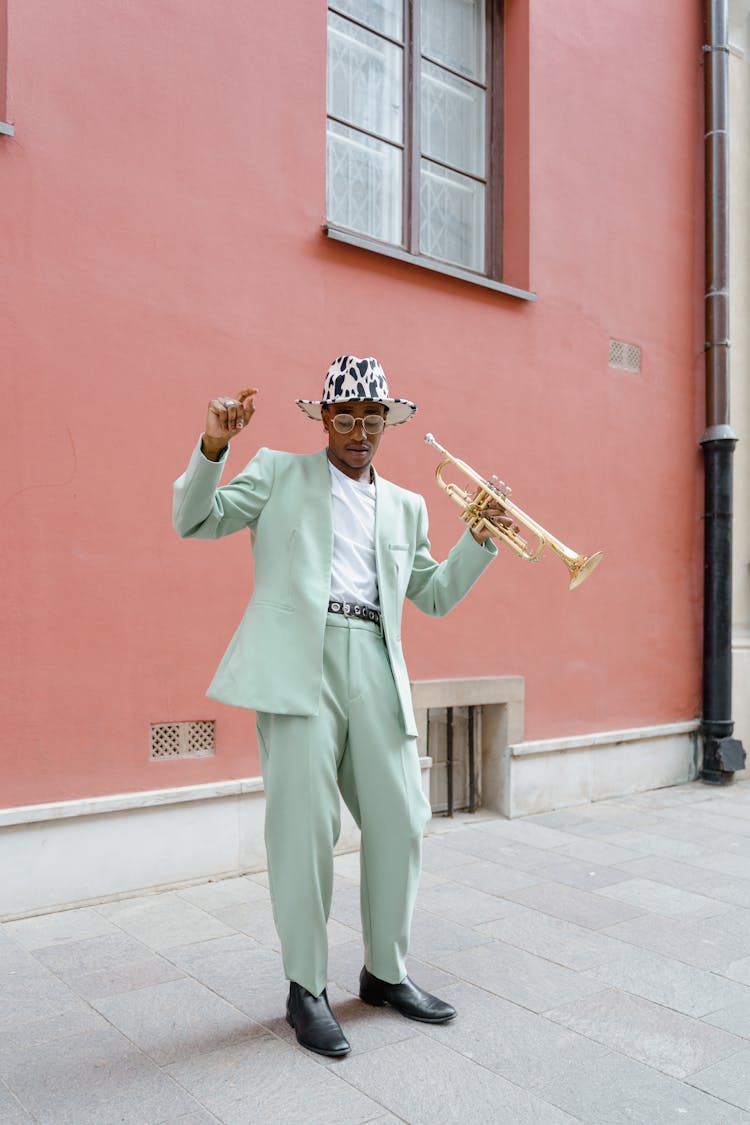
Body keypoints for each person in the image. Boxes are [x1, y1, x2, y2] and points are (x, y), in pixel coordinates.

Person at [173, 355, 509, 1058]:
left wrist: (480, 538)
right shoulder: (276, 472)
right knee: (306, 823)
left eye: (372, 417)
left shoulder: (409, 506)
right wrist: (213, 445)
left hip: (377, 661)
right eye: (346, 416)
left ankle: (385, 972)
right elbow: (193, 519)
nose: (360, 430)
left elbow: (435, 595)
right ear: (323, 419)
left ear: (389, 421)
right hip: (300, 658)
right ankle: (306, 987)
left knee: (402, 817)